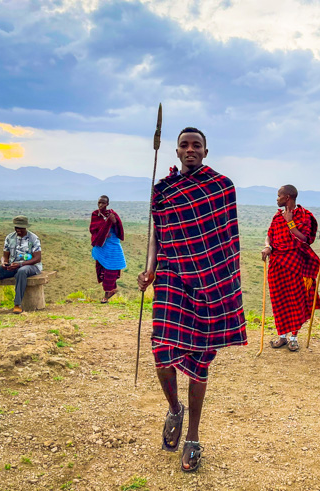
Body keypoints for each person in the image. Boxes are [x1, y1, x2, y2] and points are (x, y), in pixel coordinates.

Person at [138, 127, 247, 472]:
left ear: (205, 151)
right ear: (176, 151)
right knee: (162, 353)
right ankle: (174, 409)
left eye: (196, 145)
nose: (190, 149)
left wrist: (225, 283)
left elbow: (226, 241)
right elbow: (157, 232)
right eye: (184, 145)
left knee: (200, 361)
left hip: (209, 283)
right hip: (170, 277)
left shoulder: (221, 187)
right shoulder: (163, 190)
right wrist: (149, 269)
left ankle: (194, 437)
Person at [261, 185, 320, 352]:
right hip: (277, 264)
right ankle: (282, 336)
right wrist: (268, 247)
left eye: (279, 196)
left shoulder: (305, 216)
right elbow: (270, 234)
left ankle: (294, 337)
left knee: (296, 300)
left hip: (296, 264)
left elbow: (306, 240)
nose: (277, 199)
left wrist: (290, 223)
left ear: (287, 197)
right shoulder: (277, 215)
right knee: (279, 300)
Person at [0, 215, 42, 314]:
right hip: (12, 266)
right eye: (16, 227)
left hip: (31, 267)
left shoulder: (33, 238)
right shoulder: (10, 237)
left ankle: (17, 304)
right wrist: (4, 263)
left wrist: (20, 264)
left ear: (25, 227)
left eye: (20, 227)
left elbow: (37, 258)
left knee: (22, 271)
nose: (18, 229)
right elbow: (5, 256)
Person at [90, 195, 126, 303]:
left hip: (112, 245)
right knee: (102, 269)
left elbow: (119, 228)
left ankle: (107, 294)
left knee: (111, 270)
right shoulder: (95, 214)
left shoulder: (112, 214)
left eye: (103, 203)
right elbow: (93, 229)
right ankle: (111, 290)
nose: (100, 205)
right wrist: (103, 234)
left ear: (107, 204)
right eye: (99, 202)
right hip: (101, 246)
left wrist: (113, 222)